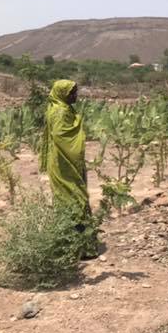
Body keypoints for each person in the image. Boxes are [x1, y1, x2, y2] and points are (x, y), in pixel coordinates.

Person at [41, 79, 97, 256]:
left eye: (76, 92)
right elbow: (61, 136)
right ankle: (77, 248)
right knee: (74, 200)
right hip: (63, 163)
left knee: (73, 198)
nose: (76, 96)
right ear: (63, 94)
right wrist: (78, 127)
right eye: (72, 93)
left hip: (65, 162)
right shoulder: (60, 112)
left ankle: (75, 248)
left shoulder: (62, 109)